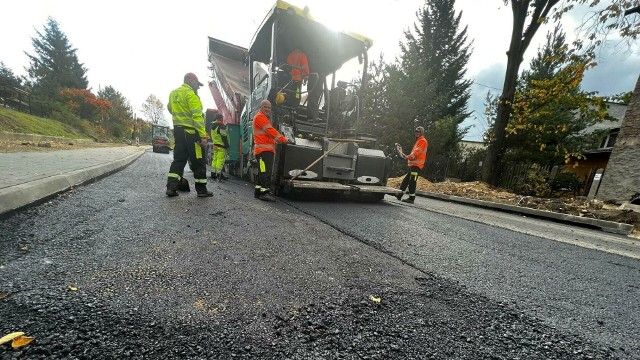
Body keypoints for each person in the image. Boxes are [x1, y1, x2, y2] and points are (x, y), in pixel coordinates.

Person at [165, 72, 213, 197]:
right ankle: (201, 190)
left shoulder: (173, 93)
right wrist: (202, 136)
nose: (198, 88)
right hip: (192, 134)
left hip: (178, 132)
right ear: (191, 81)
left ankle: (171, 188)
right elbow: (197, 117)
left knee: (179, 160)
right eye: (197, 85)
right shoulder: (191, 95)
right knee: (198, 161)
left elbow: (170, 109)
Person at [253, 100, 289, 201]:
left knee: (262, 172)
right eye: (266, 107)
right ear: (261, 107)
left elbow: (268, 134)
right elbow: (271, 131)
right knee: (266, 172)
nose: (268, 109)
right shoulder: (260, 117)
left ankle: (258, 192)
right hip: (263, 151)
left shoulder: (262, 118)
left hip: (263, 150)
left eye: (269, 107)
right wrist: (283, 139)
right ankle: (264, 193)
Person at [395, 126, 428, 203]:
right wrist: (408, 157)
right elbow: (414, 153)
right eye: (416, 131)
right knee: (406, 181)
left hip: (416, 166)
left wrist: (408, 157)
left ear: (422, 133)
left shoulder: (422, 141)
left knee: (412, 181)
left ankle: (411, 198)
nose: (416, 133)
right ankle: (399, 194)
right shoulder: (419, 141)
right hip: (413, 166)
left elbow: (416, 153)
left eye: (418, 132)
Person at [208, 112, 229, 181]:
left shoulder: (212, 126)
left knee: (215, 159)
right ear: (220, 118)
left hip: (215, 145)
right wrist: (227, 145)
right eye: (222, 118)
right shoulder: (221, 126)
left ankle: (213, 174)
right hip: (221, 146)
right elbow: (224, 137)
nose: (223, 119)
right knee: (220, 160)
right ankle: (219, 175)